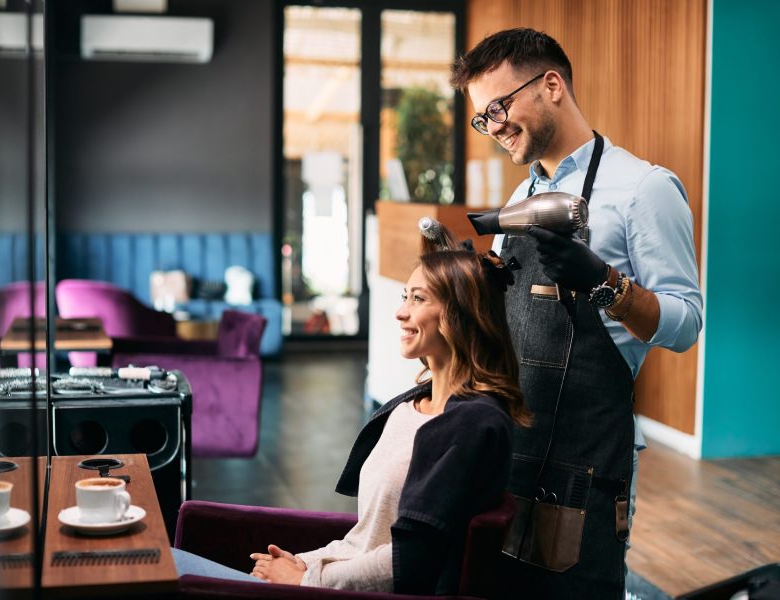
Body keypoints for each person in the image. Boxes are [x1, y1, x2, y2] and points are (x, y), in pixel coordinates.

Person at [450, 28, 703, 599]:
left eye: (498, 107)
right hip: (509, 442)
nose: (493, 128)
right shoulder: (519, 201)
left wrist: (604, 283)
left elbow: (686, 325)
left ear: (552, 85)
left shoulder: (643, 189)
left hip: (587, 458)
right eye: (482, 119)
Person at [172, 223, 530, 595]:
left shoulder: (472, 424)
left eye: (418, 299)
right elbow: (365, 539)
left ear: (461, 314)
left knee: (158, 566)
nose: (400, 312)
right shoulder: (414, 405)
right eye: (405, 296)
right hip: (332, 579)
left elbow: (412, 559)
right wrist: (302, 562)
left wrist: (306, 578)